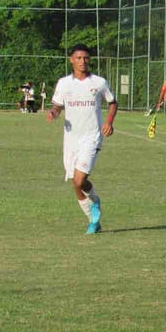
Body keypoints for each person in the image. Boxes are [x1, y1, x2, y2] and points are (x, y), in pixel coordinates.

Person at [46, 44, 117, 235]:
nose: (82, 61)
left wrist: (109, 122)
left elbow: (112, 103)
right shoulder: (64, 83)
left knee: (79, 180)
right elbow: (58, 105)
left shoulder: (99, 82)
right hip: (71, 139)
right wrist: (54, 112)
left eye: (85, 58)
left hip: (92, 137)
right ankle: (93, 217)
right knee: (75, 182)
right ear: (71, 60)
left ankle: (93, 208)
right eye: (78, 58)